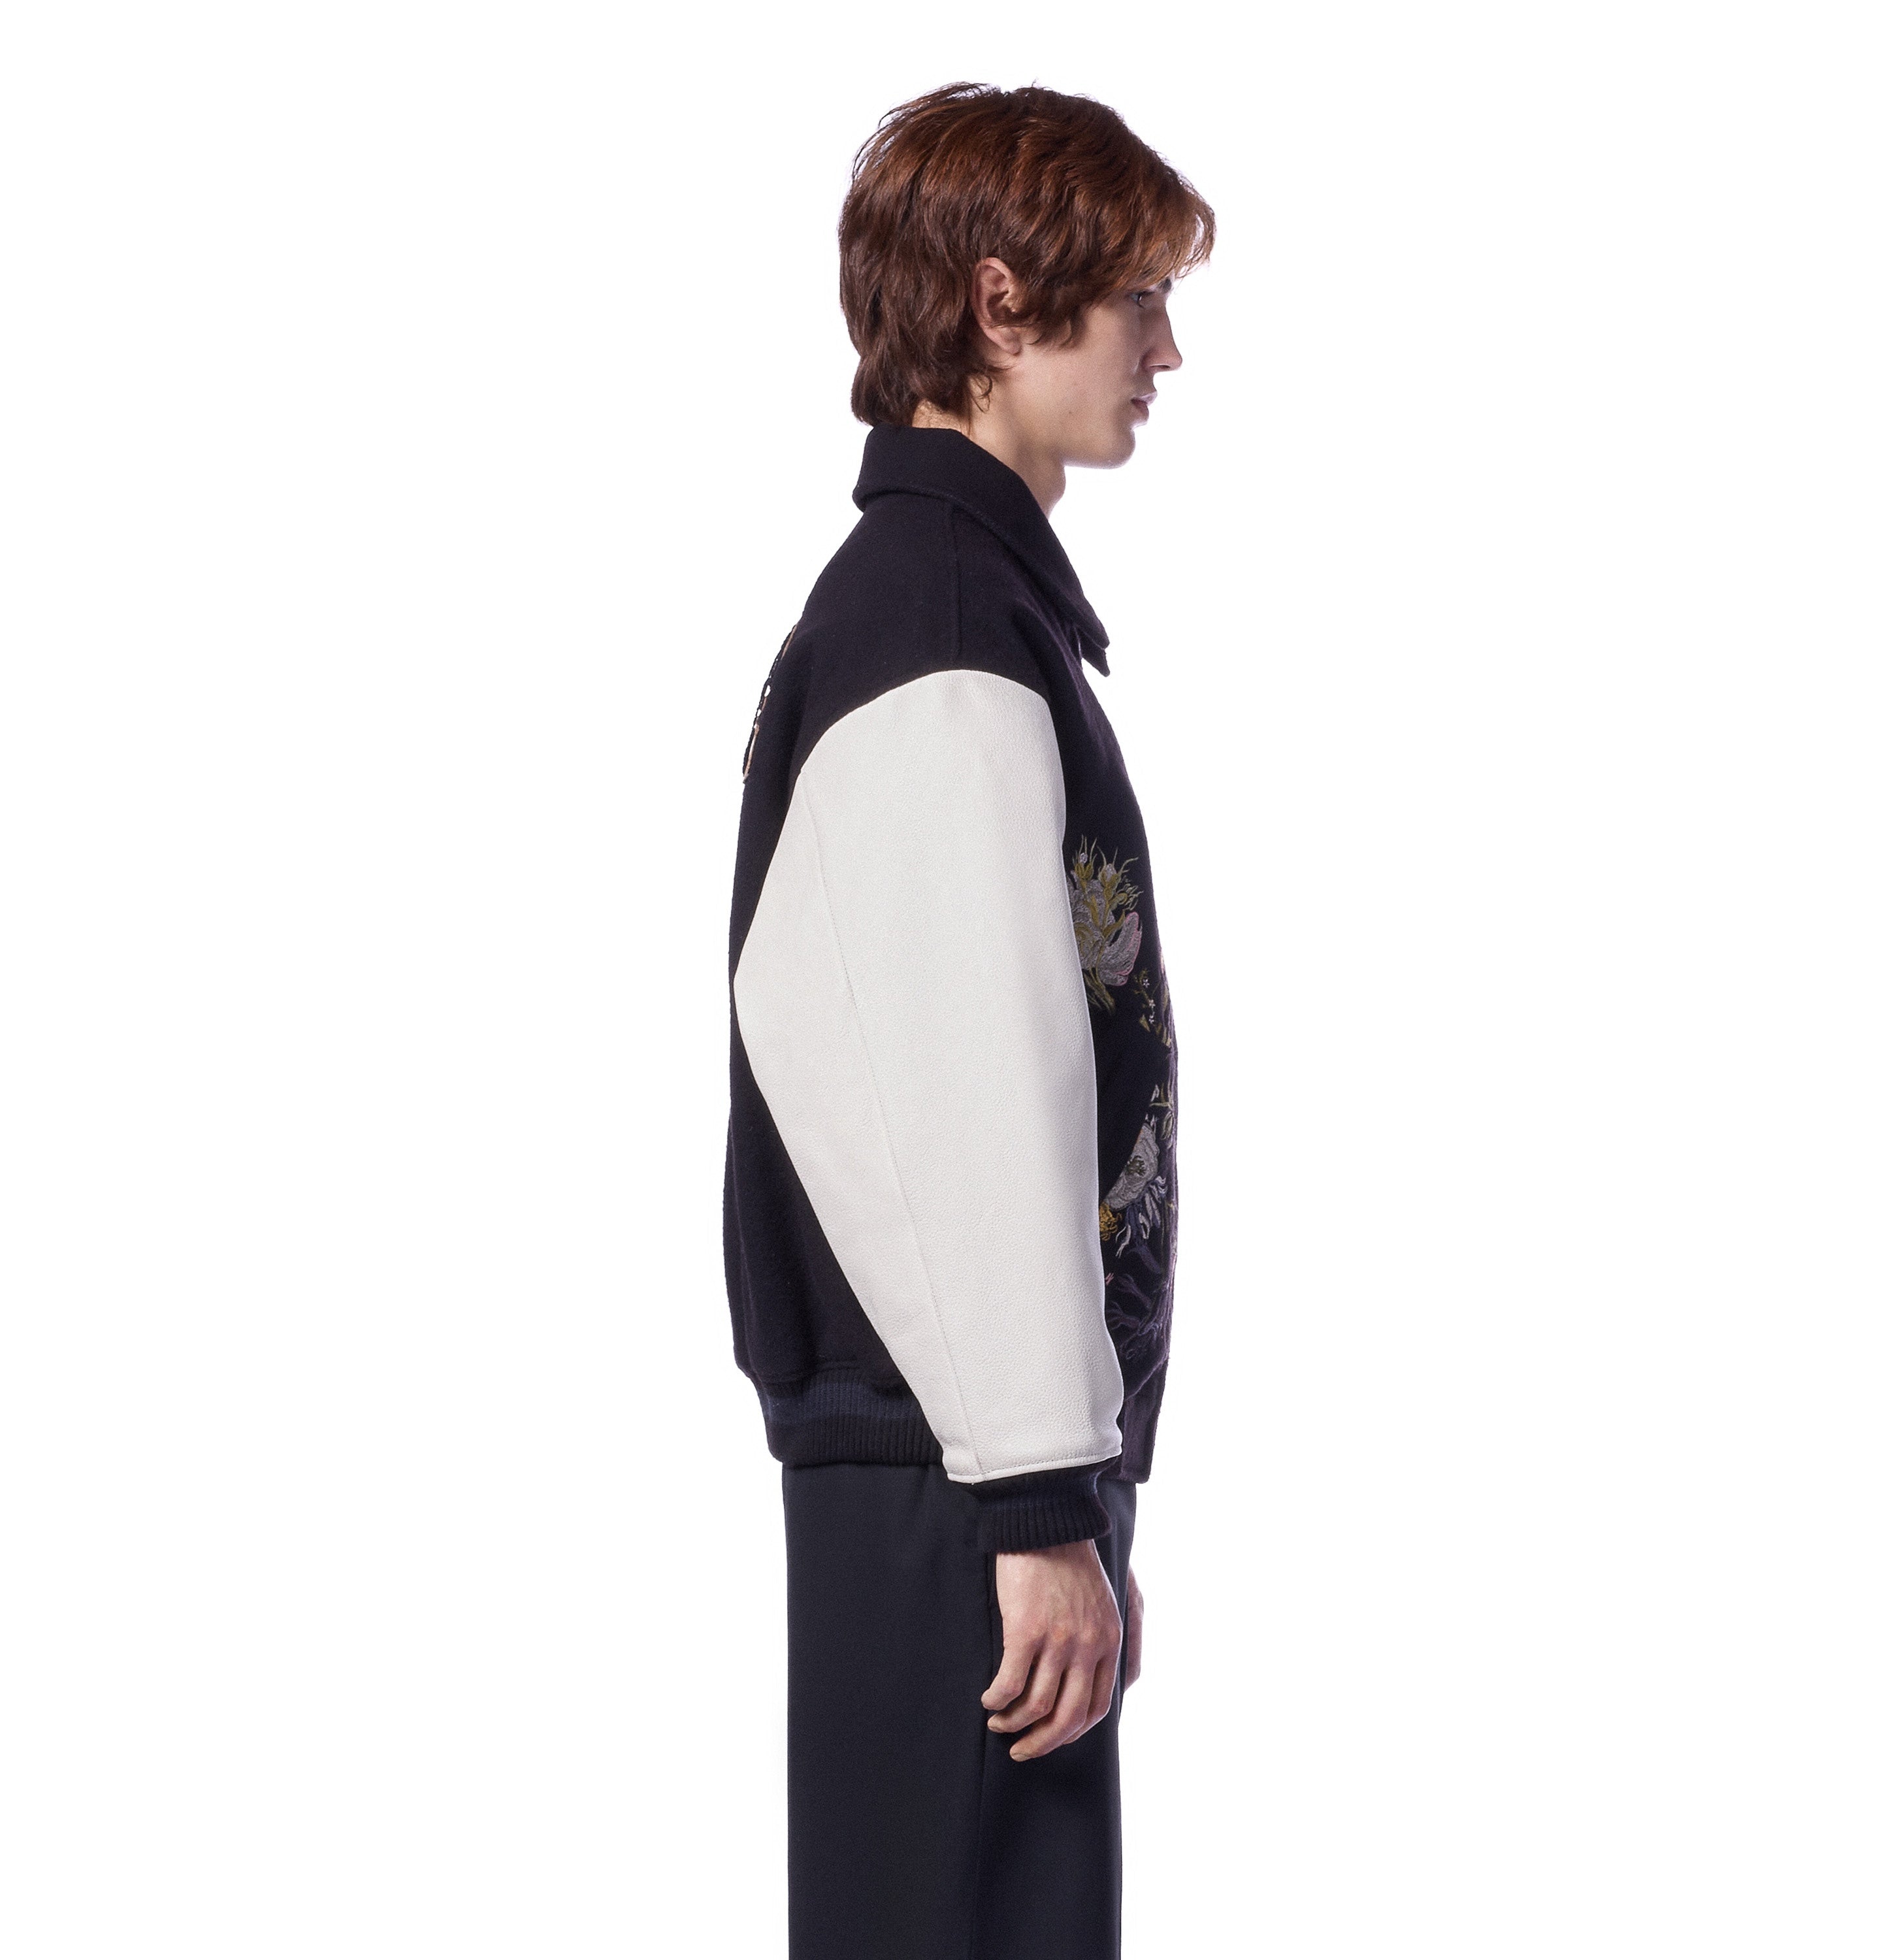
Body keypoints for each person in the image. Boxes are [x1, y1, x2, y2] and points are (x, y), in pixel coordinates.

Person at [721, 81, 1213, 1959]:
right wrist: (1034, 1501)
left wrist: (1052, 1480)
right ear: (1005, 303)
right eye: (1139, 298)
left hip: (954, 1466)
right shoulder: (937, 630)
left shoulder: (948, 609)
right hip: (951, 1478)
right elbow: (971, 1091)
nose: (1166, 348)